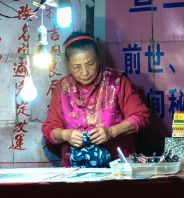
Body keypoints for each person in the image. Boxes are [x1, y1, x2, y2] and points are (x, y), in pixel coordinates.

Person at [41, 31, 150, 167]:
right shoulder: (62, 89)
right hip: (74, 171)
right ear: (68, 65)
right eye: (77, 67)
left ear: (98, 59)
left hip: (118, 168)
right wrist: (66, 135)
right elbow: (49, 129)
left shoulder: (116, 81)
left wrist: (112, 131)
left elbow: (141, 116)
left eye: (90, 64)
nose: (85, 72)